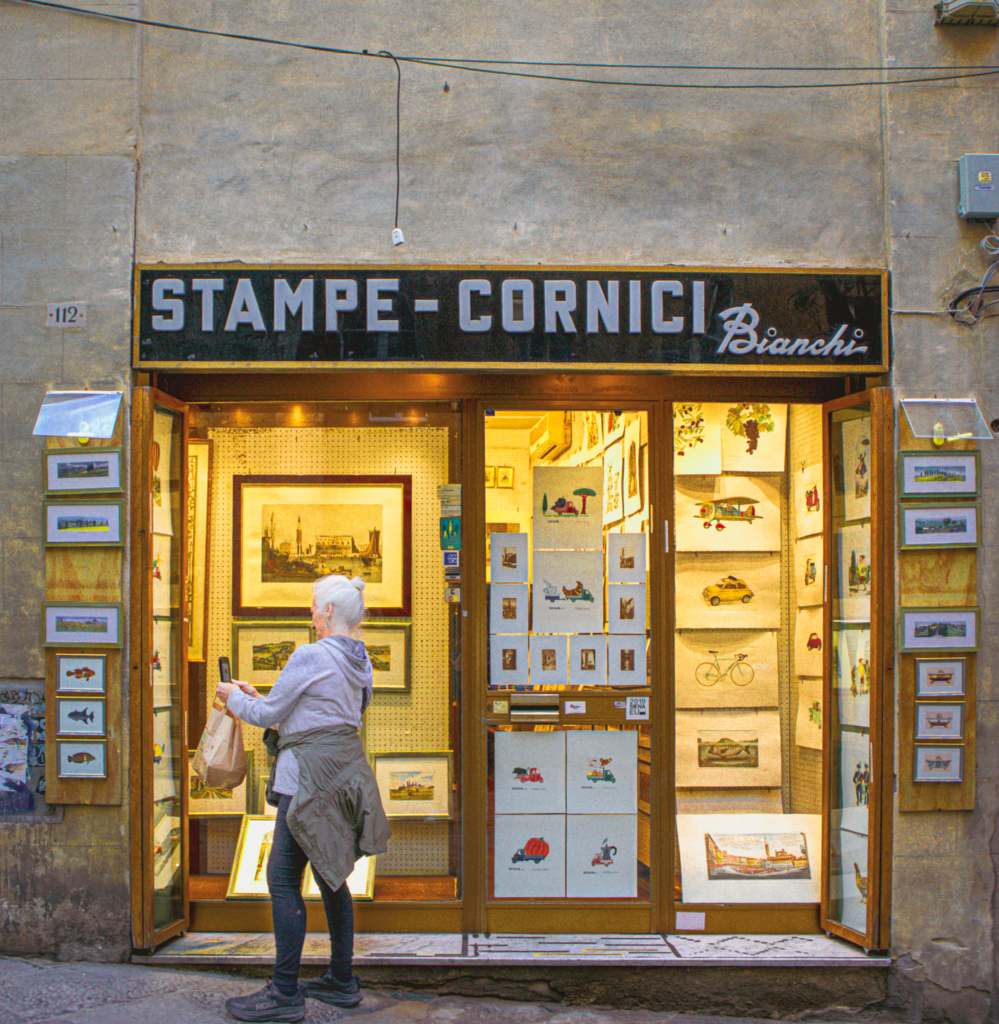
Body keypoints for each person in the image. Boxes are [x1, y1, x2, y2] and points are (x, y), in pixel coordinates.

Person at [218, 574, 391, 1023]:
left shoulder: (310, 654)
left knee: (281, 880)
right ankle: (340, 979)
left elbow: (267, 715)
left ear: (329, 612)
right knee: (333, 878)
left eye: (315, 605)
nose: (311, 612)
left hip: (307, 785)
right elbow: (326, 716)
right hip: (341, 779)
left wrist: (234, 699)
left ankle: (284, 993)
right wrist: (261, 697)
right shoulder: (361, 660)